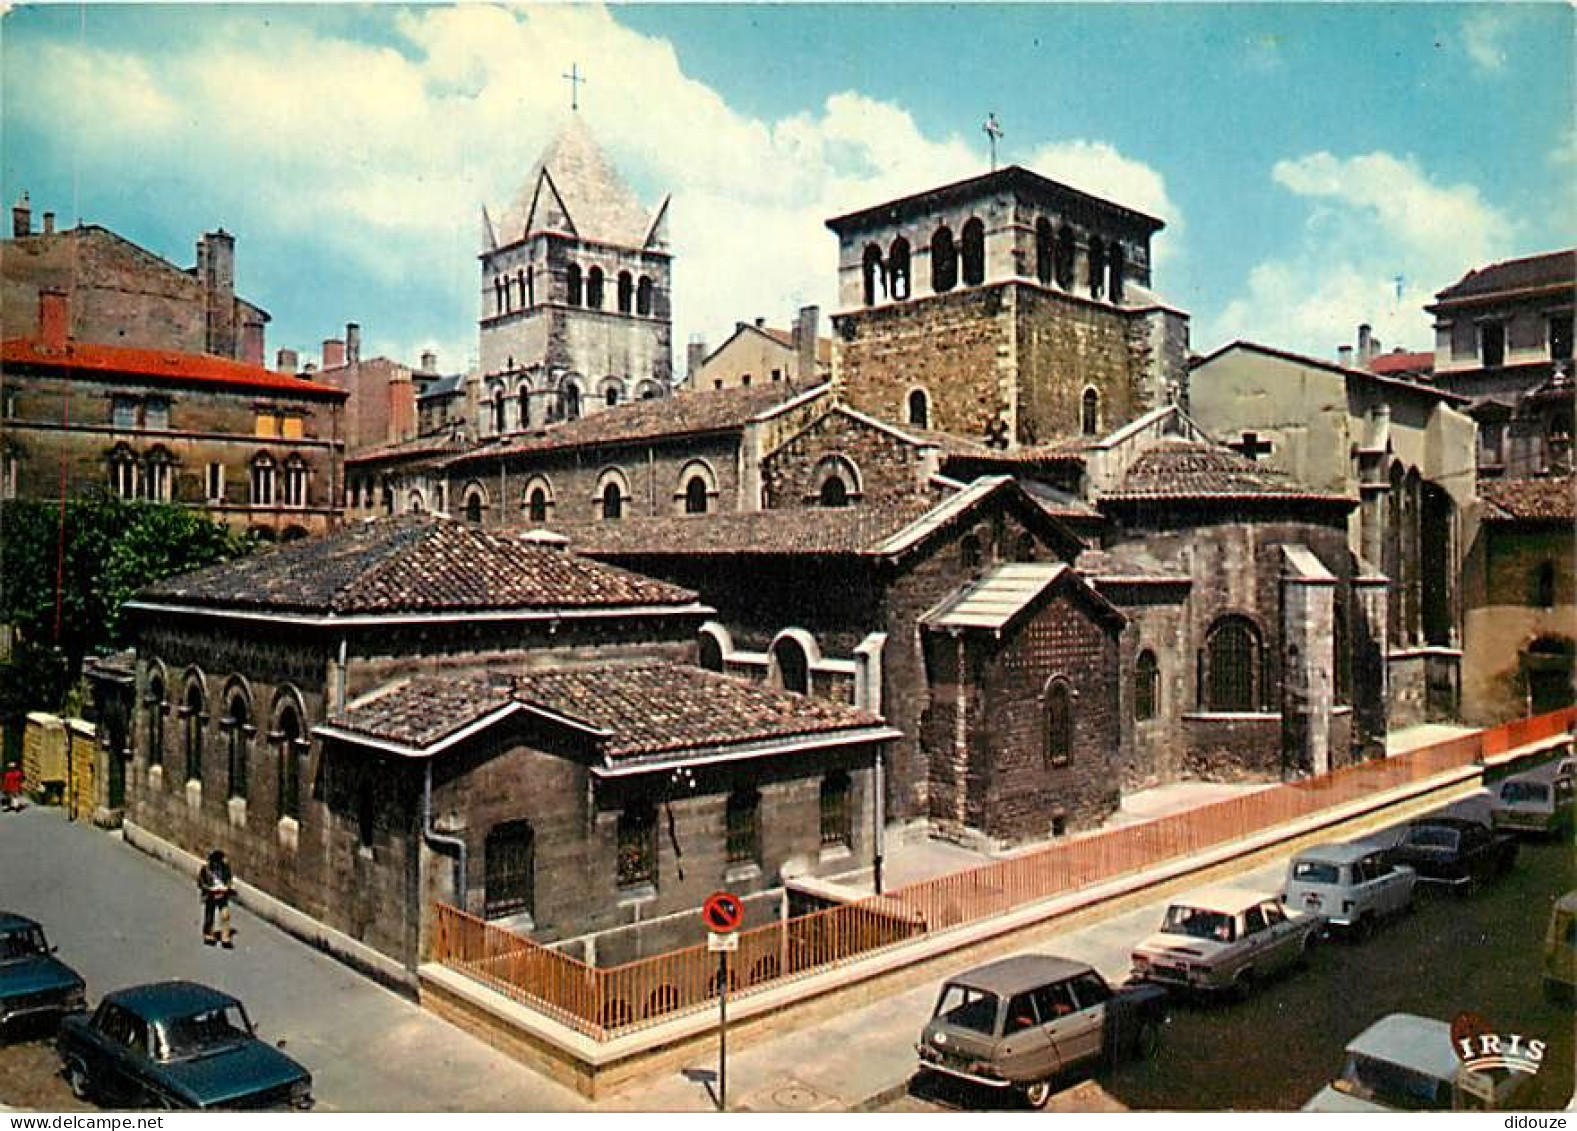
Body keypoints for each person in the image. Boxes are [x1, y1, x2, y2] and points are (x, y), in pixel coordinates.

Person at [197, 849, 235, 948]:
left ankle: (225, 937)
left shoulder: (226, 868)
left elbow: (229, 880)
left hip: (222, 894)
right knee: (209, 916)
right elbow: (201, 883)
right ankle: (209, 935)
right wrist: (209, 889)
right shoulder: (205, 869)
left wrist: (227, 888)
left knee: (225, 915)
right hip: (211, 894)